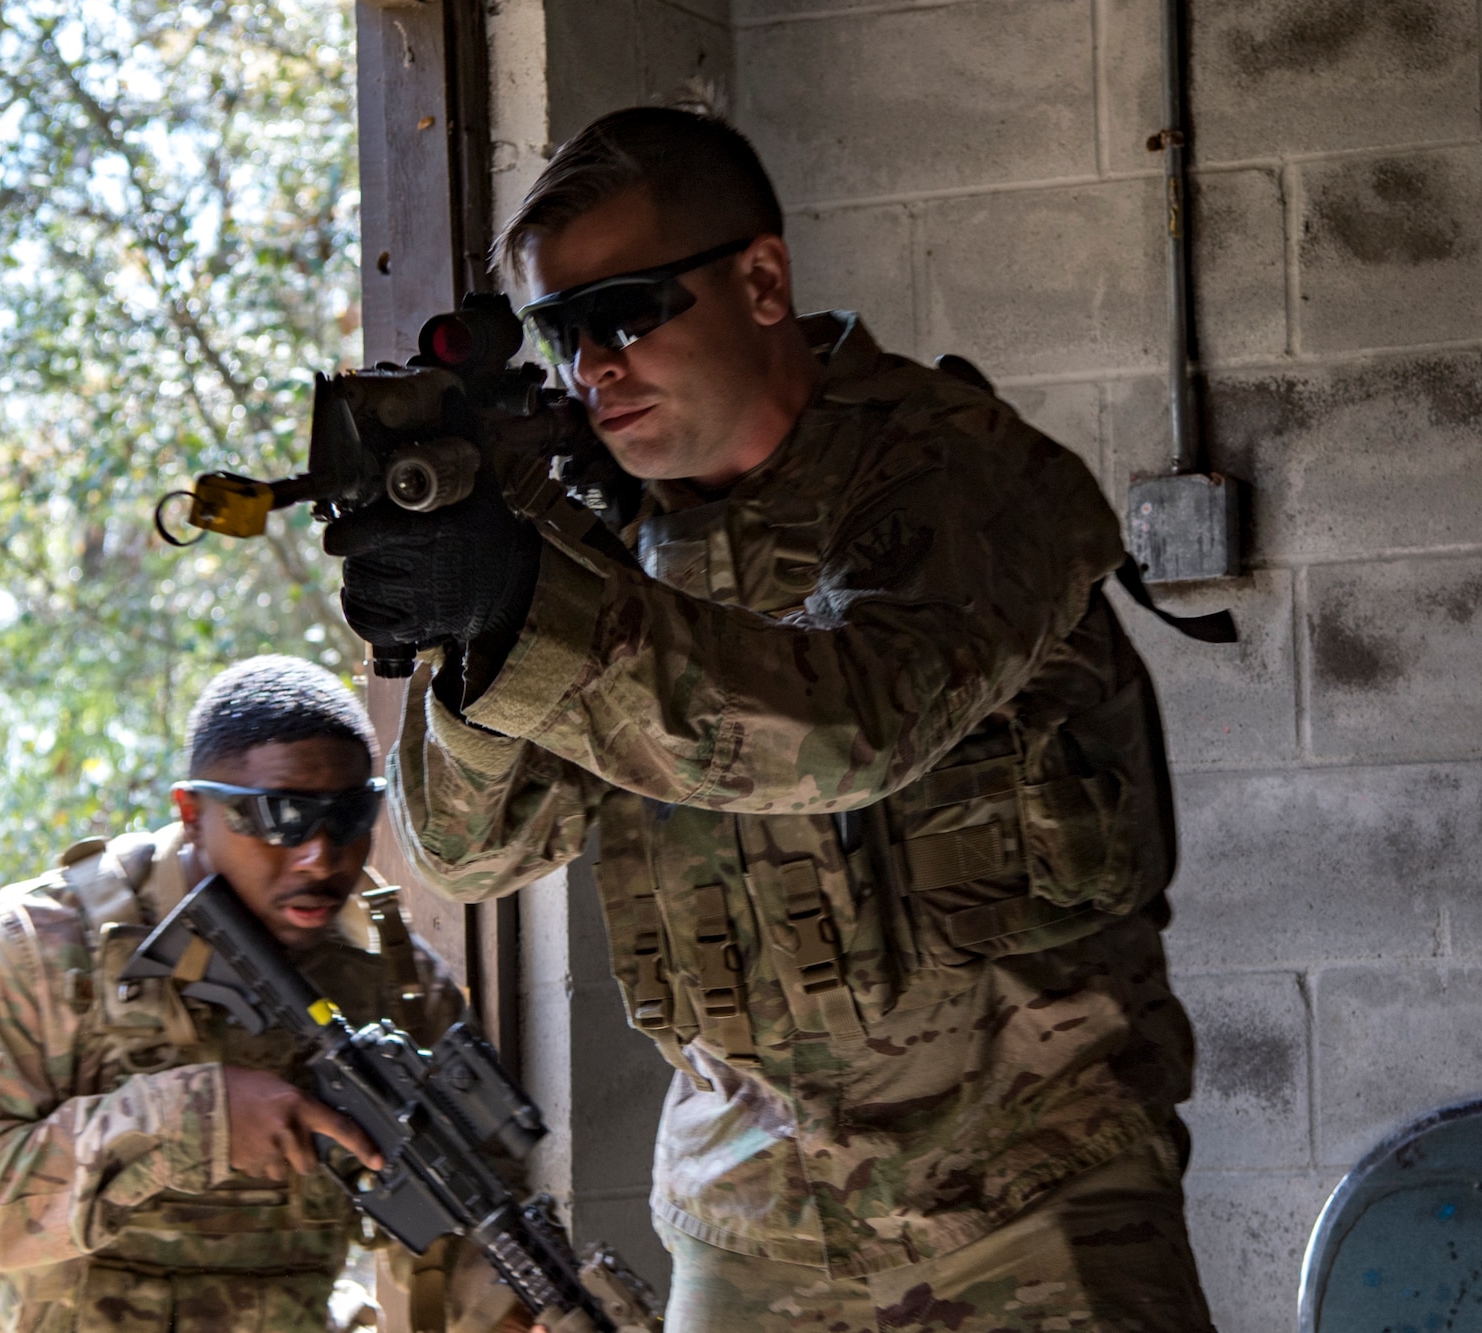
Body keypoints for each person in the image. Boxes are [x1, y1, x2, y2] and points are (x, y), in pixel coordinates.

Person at [328, 107, 1219, 1332]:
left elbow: (855, 725)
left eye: (624, 313)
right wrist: (484, 627)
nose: (591, 367)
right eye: (559, 331)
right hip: (747, 1222)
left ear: (758, 280)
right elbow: (471, 852)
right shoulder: (603, 542)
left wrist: (540, 607)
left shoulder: (961, 474)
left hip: (1025, 1194)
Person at [0, 655, 517, 1333]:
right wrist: (192, 1120)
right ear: (192, 811)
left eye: (350, 815)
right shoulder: (40, 951)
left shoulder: (395, 985)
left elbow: (468, 1216)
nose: (320, 857)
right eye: (281, 816)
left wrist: (508, 1303)